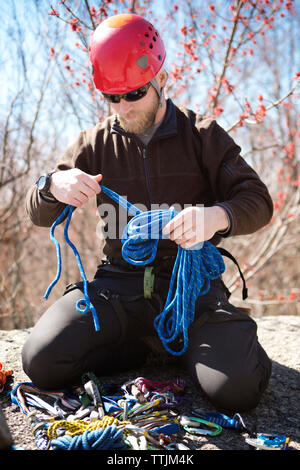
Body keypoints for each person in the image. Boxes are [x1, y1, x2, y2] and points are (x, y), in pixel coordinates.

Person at [22, 14, 273, 412]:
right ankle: (152, 349)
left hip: (193, 293)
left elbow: (258, 200)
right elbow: (38, 212)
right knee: (41, 360)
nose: (123, 106)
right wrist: (51, 185)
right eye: (112, 97)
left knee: (236, 391)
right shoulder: (92, 143)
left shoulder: (202, 135)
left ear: (163, 79)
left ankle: (203, 347)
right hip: (117, 289)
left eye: (135, 93)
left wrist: (215, 217)